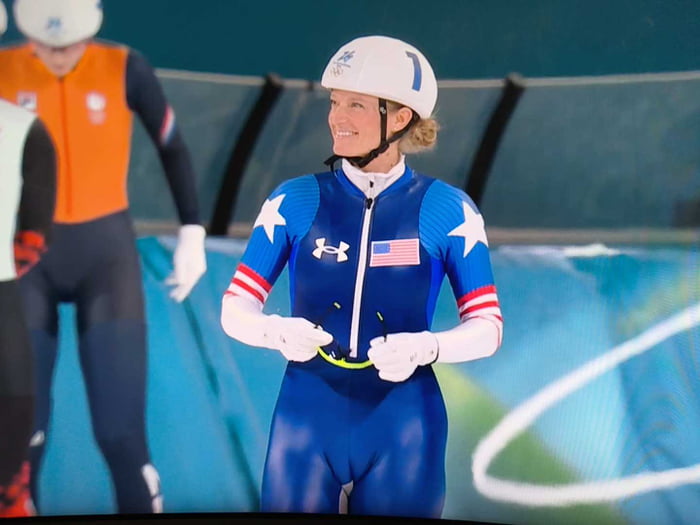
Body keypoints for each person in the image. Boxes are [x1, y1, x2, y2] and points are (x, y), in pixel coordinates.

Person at [221, 35, 503, 518]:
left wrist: (427, 347)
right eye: (334, 102)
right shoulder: (294, 201)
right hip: (307, 414)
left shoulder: (446, 210)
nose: (337, 117)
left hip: (404, 420)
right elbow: (233, 309)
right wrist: (272, 330)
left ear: (400, 117)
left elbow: (488, 327)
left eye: (355, 104)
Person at [0, 0, 207, 514]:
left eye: (68, 46)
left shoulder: (124, 67)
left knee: (122, 437)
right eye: (46, 47)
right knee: (23, 440)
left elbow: (173, 147)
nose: (58, 57)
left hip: (105, 259)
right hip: (25, 263)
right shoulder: (3, 68)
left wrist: (194, 233)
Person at [0, 1, 57, 517]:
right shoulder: (24, 128)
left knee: (14, 414)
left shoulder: (23, 129)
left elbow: (34, 234)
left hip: (2, 300)